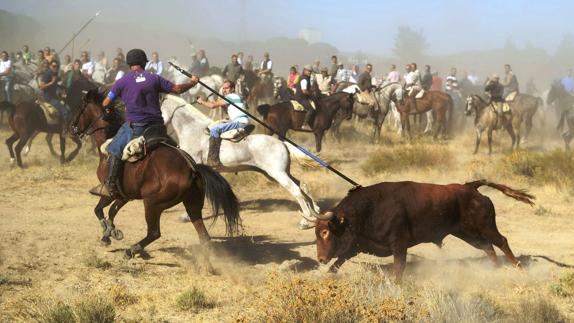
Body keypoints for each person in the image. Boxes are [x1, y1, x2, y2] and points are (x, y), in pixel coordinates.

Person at [102, 49, 200, 198]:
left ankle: (110, 184)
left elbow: (106, 102)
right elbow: (178, 89)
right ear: (143, 63)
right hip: (158, 127)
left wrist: (110, 108)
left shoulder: (121, 82)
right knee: (176, 149)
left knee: (114, 148)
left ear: (129, 64)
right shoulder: (154, 78)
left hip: (137, 127)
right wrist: (193, 82)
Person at [197, 79, 250, 167]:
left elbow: (212, 106)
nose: (224, 90)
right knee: (217, 123)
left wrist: (201, 101)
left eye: (227, 88)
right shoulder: (235, 97)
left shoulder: (231, 96)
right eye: (223, 88)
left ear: (232, 89)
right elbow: (222, 107)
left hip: (240, 122)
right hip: (241, 120)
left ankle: (213, 159)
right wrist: (218, 101)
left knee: (215, 129)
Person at [298, 65, 318, 131]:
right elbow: (304, 91)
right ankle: (305, 124)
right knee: (311, 109)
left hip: (302, 96)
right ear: (304, 70)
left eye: (310, 71)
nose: (310, 72)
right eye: (308, 71)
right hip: (302, 98)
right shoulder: (304, 79)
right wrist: (312, 94)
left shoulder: (306, 77)